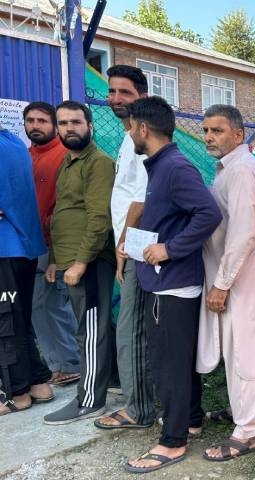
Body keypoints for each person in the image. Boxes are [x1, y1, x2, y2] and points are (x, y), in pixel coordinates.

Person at [124, 96, 221, 473]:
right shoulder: (162, 165)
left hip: (173, 285)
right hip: (166, 282)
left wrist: (170, 248)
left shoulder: (175, 167)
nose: (129, 133)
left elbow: (209, 213)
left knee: (169, 366)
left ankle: (172, 441)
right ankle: (190, 420)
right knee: (178, 361)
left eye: (130, 127)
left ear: (143, 128)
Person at [195, 105, 255, 461]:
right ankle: (243, 416)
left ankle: (249, 431)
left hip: (241, 273)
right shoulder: (229, 168)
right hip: (231, 271)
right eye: (206, 130)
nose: (209, 137)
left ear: (238, 135)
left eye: (218, 130)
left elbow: (242, 232)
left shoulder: (241, 170)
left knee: (244, 348)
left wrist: (222, 283)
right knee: (234, 347)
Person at [43, 101, 116, 425]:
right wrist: (55, 261)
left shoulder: (98, 163)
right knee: (96, 326)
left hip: (90, 261)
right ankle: (113, 380)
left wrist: (80, 263)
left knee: (89, 331)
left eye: (75, 122)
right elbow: (63, 213)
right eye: (63, 123)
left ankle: (89, 400)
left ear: (90, 126)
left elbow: (99, 218)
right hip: (69, 259)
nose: (69, 128)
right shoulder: (68, 162)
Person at [94, 65, 156, 430]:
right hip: (130, 244)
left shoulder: (142, 137)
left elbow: (142, 198)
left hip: (137, 245)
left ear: (142, 97)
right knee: (133, 326)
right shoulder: (127, 136)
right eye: (112, 91)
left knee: (131, 328)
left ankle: (139, 408)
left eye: (125, 92)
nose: (116, 99)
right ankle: (142, 401)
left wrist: (122, 246)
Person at [23, 102, 80, 387]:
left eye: (42, 121)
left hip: (54, 244)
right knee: (37, 306)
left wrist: (57, 251)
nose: (36, 125)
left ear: (54, 126)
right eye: (31, 120)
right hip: (29, 243)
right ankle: (58, 364)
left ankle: (71, 363)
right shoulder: (27, 155)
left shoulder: (64, 156)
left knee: (53, 304)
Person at [0, 125, 53, 416]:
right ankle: (37, 383)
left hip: (5, 248)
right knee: (18, 319)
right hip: (24, 247)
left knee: (5, 323)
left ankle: (16, 394)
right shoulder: (14, 142)